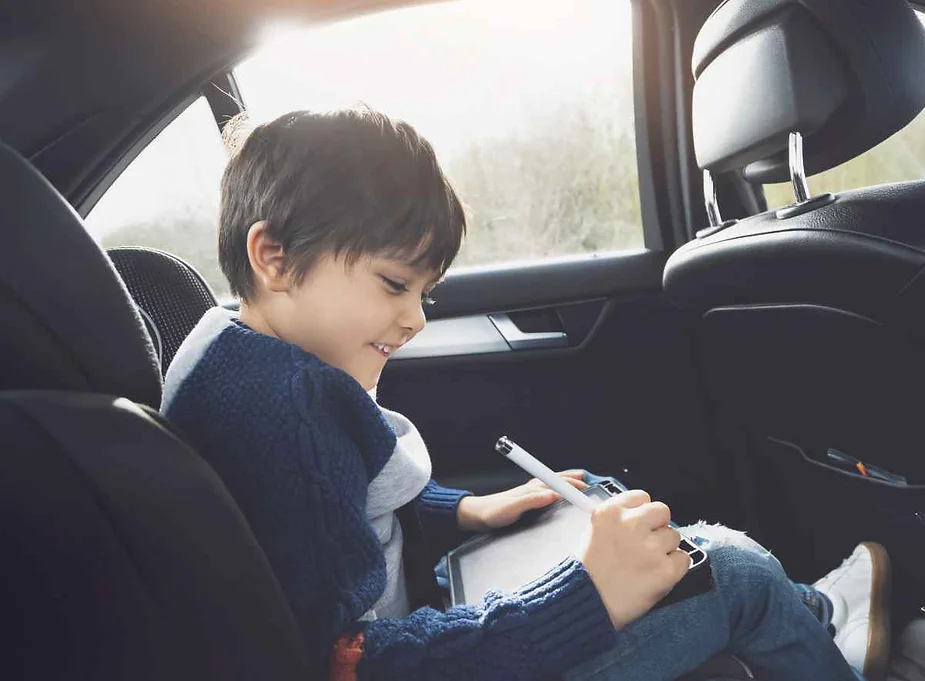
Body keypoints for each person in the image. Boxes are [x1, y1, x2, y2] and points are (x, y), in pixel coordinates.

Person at [161, 108, 892, 681]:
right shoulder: (283, 415)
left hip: (430, 623)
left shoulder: (240, 361)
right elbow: (352, 662)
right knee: (724, 572)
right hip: (435, 658)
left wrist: (469, 509)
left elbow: (354, 510)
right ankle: (814, 632)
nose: (415, 317)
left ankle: (805, 613)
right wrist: (583, 596)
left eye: (425, 292)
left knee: (601, 500)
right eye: (393, 284)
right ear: (273, 257)